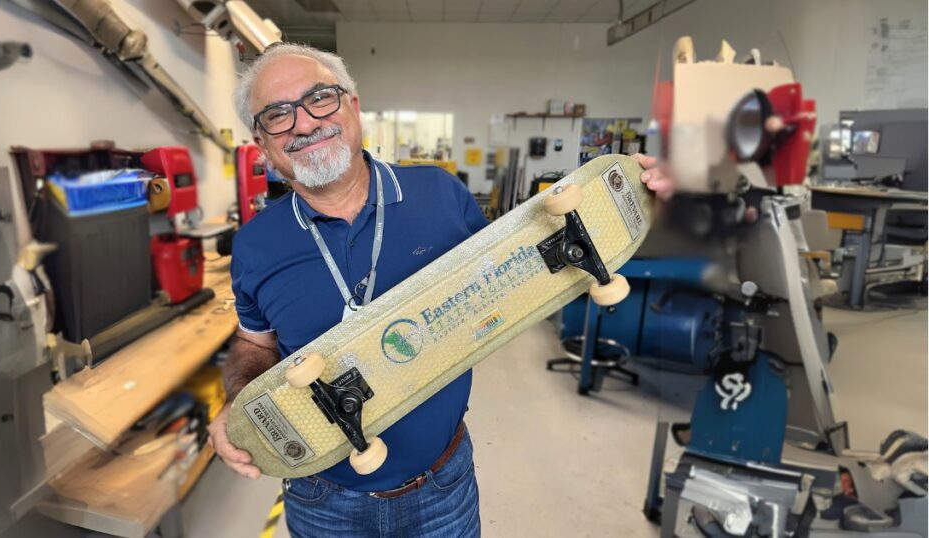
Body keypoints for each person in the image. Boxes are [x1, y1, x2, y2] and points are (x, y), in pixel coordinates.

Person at [207, 42, 674, 537]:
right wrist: (240, 400)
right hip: (321, 497)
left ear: (352, 105)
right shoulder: (256, 244)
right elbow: (254, 343)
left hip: (440, 488)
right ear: (261, 140)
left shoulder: (441, 195)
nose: (303, 124)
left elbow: (535, 271)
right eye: (277, 114)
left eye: (319, 98)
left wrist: (650, 208)